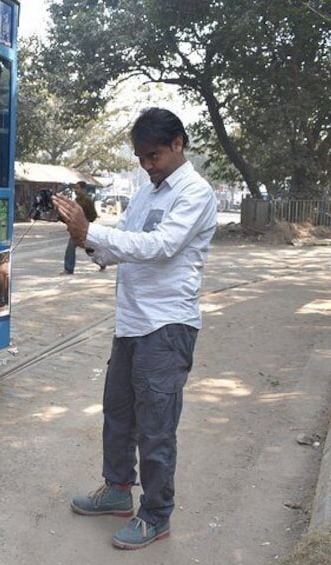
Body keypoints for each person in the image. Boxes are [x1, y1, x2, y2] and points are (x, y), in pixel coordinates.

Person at [52, 107, 217, 551]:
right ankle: (118, 490)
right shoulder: (147, 193)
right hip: (131, 323)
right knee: (118, 413)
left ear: (178, 144)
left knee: (156, 427)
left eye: (154, 155)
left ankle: (156, 513)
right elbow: (119, 245)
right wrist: (86, 240)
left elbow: (161, 247)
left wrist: (96, 233)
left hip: (167, 327)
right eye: (141, 156)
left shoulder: (195, 193)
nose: (147, 164)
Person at [62, 181, 98, 274]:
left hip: (86, 229)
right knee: (70, 247)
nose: (75, 190)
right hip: (75, 229)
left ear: (83, 189)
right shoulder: (76, 201)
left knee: (91, 249)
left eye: (77, 188)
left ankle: (101, 263)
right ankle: (68, 269)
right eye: (75, 188)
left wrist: (86, 223)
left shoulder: (87, 200)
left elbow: (93, 215)